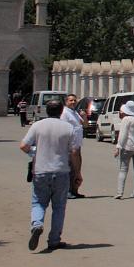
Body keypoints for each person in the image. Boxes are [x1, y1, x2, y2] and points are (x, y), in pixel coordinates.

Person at [19, 99, 80, 251]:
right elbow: (74, 152)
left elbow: (23, 146)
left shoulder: (38, 125)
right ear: (61, 111)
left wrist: (35, 152)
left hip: (40, 171)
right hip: (61, 171)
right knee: (59, 207)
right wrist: (77, 172)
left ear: (47, 111)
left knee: (38, 202)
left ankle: (37, 224)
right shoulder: (68, 128)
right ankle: (54, 240)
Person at [60, 94, 85, 198]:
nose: (73, 102)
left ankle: (74, 190)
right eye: (71, 100)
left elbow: (85, 125)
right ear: (66, 102)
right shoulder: (65, 113)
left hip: (77, 146)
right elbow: (63, 129)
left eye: (75, 100)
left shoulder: (75, 112)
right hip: (70, 147)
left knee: (77, 169)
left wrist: (84, 116)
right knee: (71, 168)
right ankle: (68, 191)